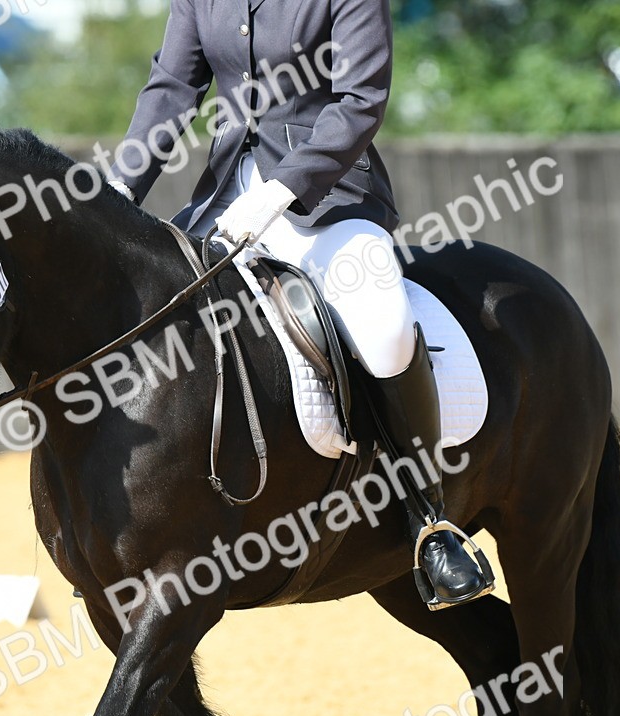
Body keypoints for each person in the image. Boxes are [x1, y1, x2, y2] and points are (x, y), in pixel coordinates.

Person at [105, 0, 489, 609]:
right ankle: (117, 530)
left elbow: (359, 100)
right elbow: (173, 88)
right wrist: (119, 189)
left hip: (327, 196)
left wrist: (283, 189)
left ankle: (429, 522)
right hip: (224, 199)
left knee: (386, 328)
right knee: (140, 308)